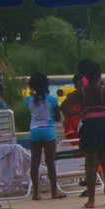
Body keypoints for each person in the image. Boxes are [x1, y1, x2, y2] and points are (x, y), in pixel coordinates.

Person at [64, 59, 105, 209]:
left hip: (89, 126)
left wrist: (78, 112)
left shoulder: (81, 93)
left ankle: (91, 200)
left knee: (91, 165)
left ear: (85, 75)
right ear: (99, 74)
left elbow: (64, 106)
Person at [24, 72, 65, 201]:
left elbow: (31, 115)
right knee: (50, 162)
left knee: (35, 163)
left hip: (34, 132)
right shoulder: (52, 100)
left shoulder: (28, 100)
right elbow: (58, 117)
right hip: (48, 132)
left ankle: (36, 193)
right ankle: (54, 192)